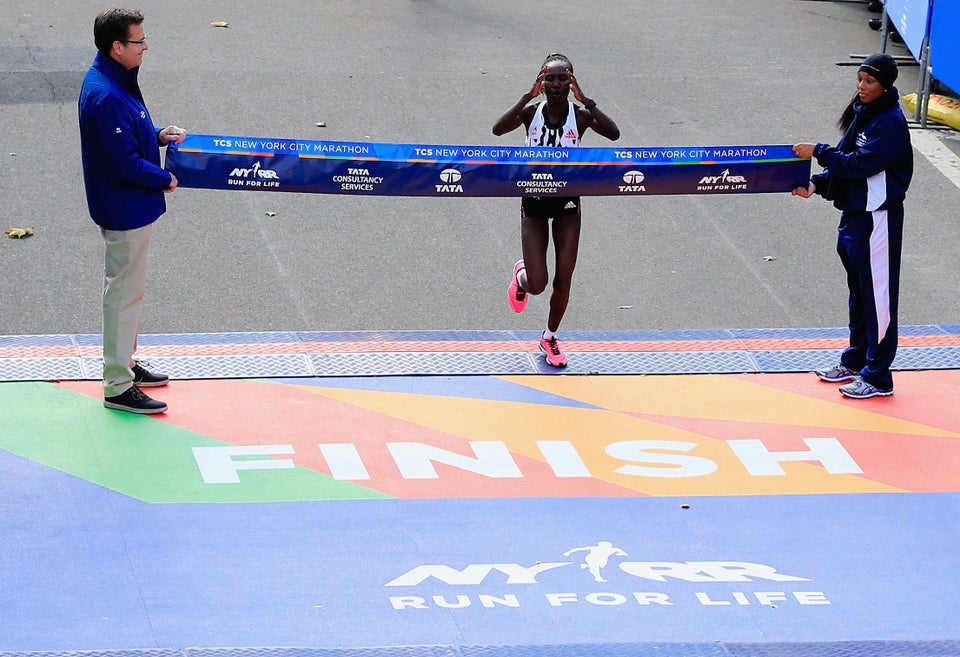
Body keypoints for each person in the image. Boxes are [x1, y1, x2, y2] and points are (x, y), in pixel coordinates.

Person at [79, 8, 186, 414]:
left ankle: (126, 364)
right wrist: (164, 178)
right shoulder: (106, 94)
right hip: (124, 208)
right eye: (139, 42)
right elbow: (123, 161)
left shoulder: (114, 79)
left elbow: (126, 136)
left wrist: (157, 135)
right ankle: (118, 386)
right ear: (117, 46)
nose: (146, 47)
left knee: (129, 293)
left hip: (128, 206)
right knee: (123, 295)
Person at [791, 53, 913, 399]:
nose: (861, 86)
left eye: (869, 81)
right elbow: (845, 166)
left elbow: (861, 164)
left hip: (878, 218)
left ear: (885, 85)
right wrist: (817, 184)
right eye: (860, 79)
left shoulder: (889, 122)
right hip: (855, 216)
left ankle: (878, 377)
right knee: (859, 297)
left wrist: (819, 151)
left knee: (878, 300)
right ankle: (857, 360)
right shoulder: (865, 114)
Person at [492, 53, 620, 367]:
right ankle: (522, 277)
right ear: (542, 81)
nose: (557, 83)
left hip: (567, 202)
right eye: (550, 78)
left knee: (564, 278)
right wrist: (526, 96)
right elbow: (497, 129)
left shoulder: (580, 116)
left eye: (564, 78)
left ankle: (549, 337)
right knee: (539, 284)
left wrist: (587, 101)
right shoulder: (530, 112)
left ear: (572, 81)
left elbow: (613, 133)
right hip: (533, 200)